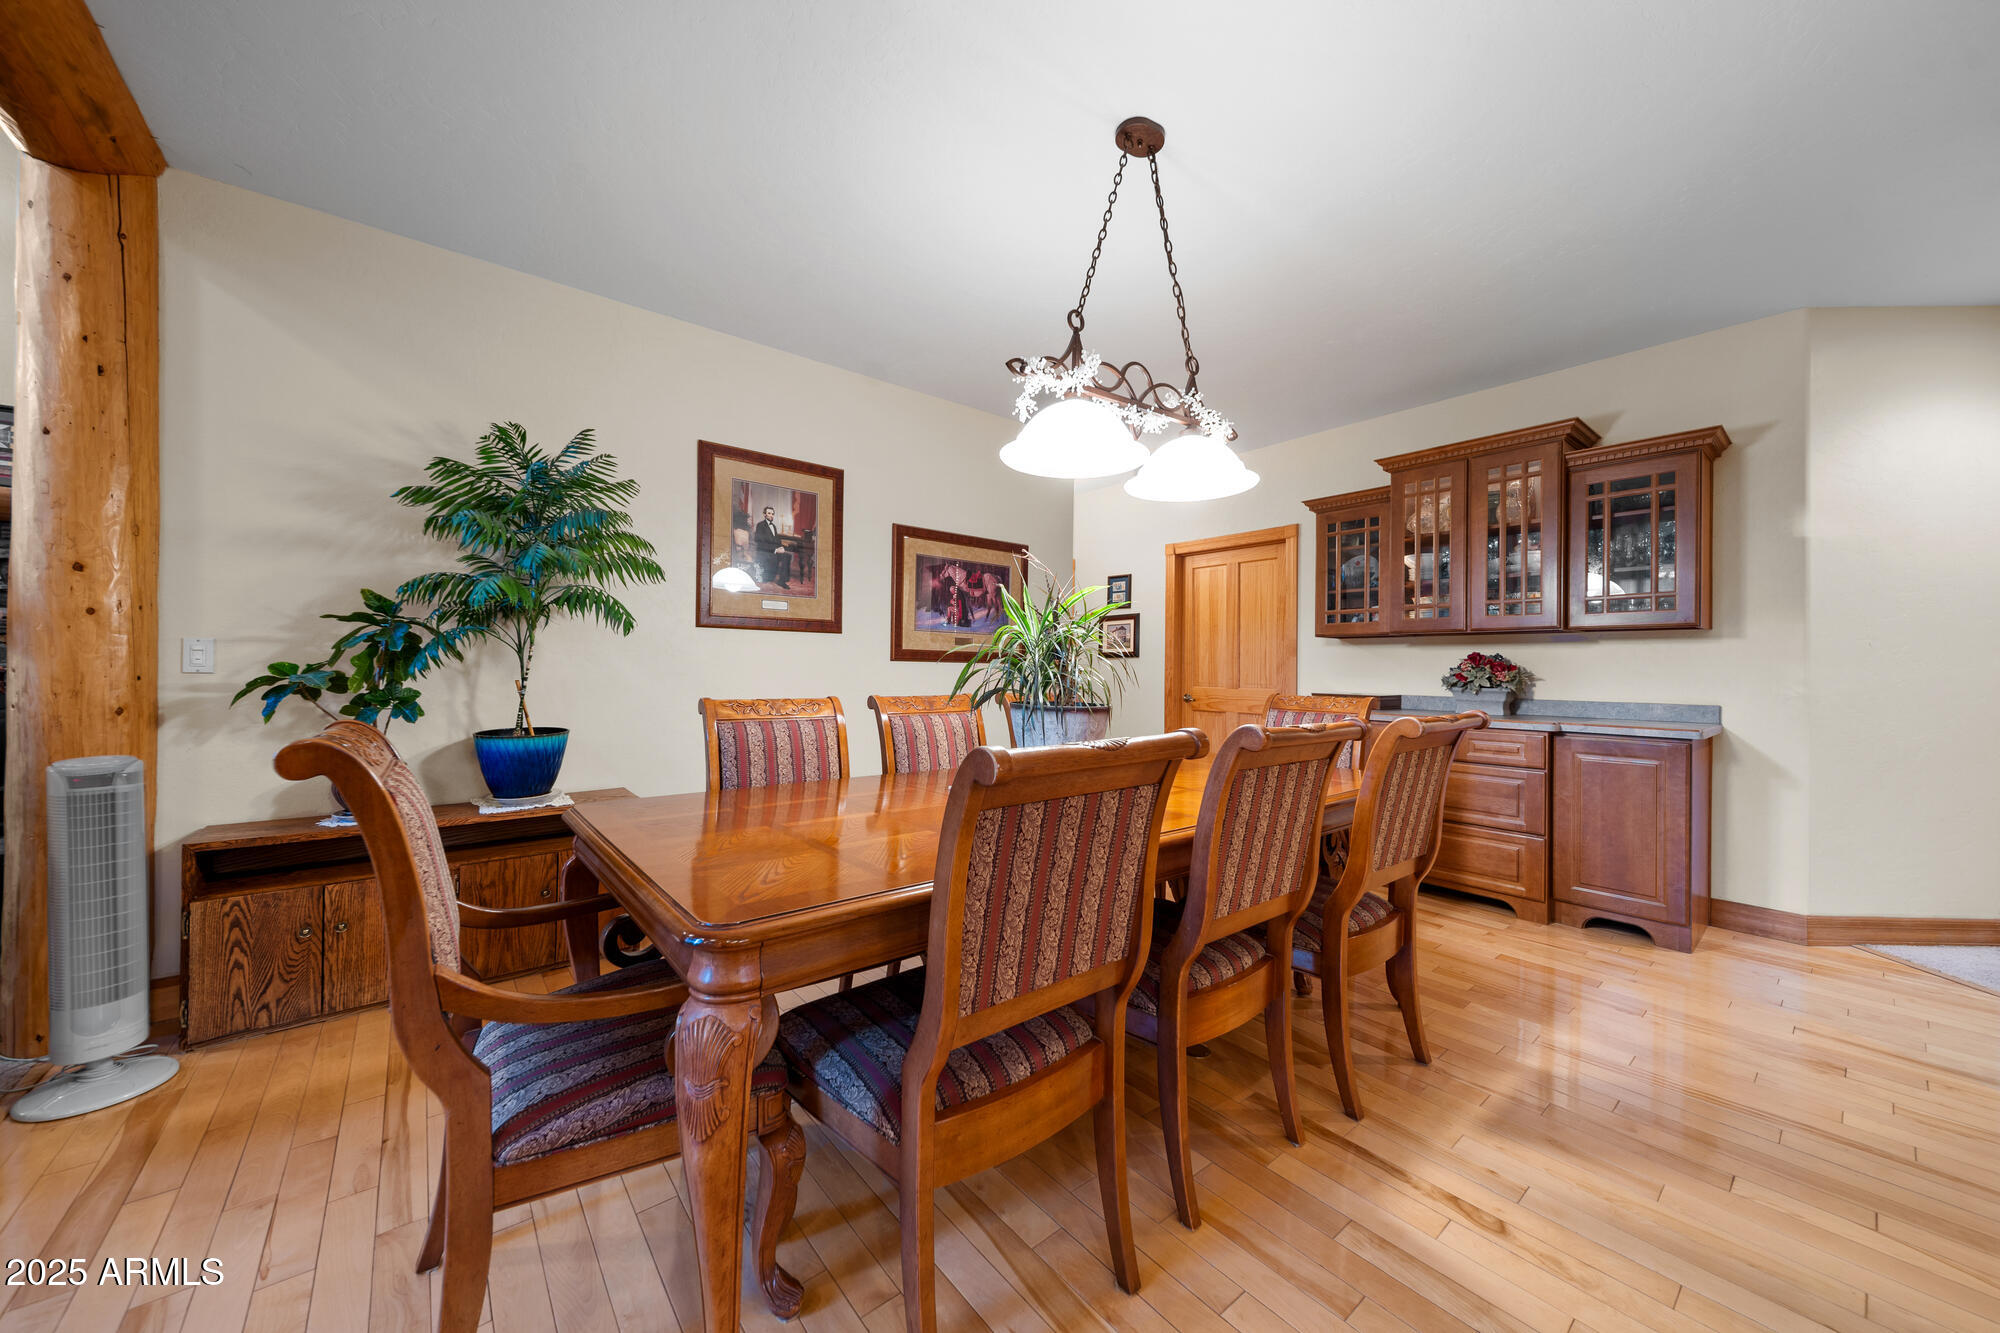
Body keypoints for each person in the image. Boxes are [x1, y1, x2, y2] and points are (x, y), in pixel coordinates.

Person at [752, 505, 791, 588]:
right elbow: (760, 543)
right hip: (764, 551)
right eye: (769, 513)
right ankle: (769, 577)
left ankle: (782, 581)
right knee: (768, 578)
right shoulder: (760, 525)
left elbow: (777, 540)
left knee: (787, 556)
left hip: (774, 550)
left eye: (772, 514)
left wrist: (780, 547)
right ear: (764, 514)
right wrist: (775, 550)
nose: (771, 515)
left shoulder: (773, 526)